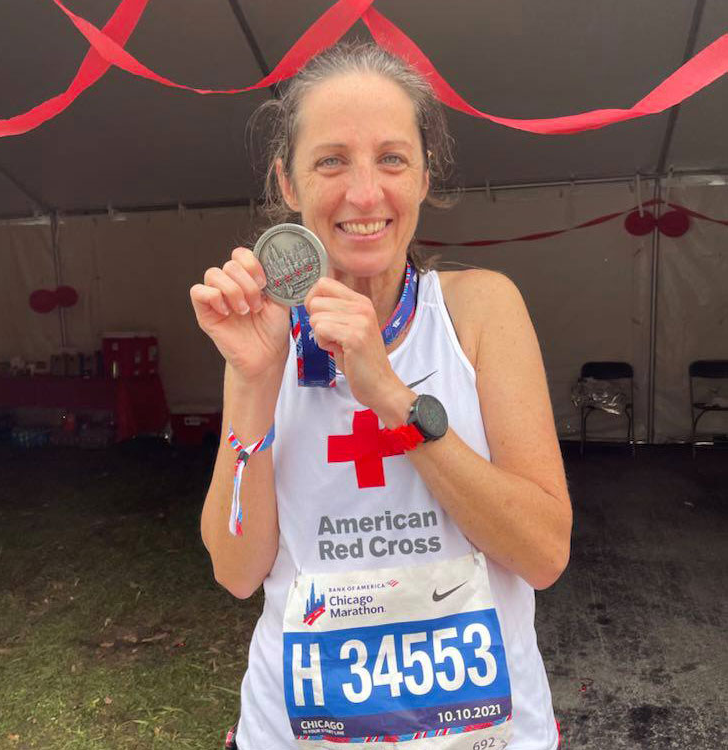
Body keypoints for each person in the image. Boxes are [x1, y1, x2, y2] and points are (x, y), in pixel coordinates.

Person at [190, 42, 571, 750]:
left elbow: (543, 553)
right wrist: (251, 378)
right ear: (289, 182)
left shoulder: (480, 312)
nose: (365, 194)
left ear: (425, 177)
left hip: (483, 736)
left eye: (392, 159)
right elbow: (237, 572)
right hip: (296, 731)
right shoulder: (266, 329)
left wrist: (391, 396)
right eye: (331, 160)